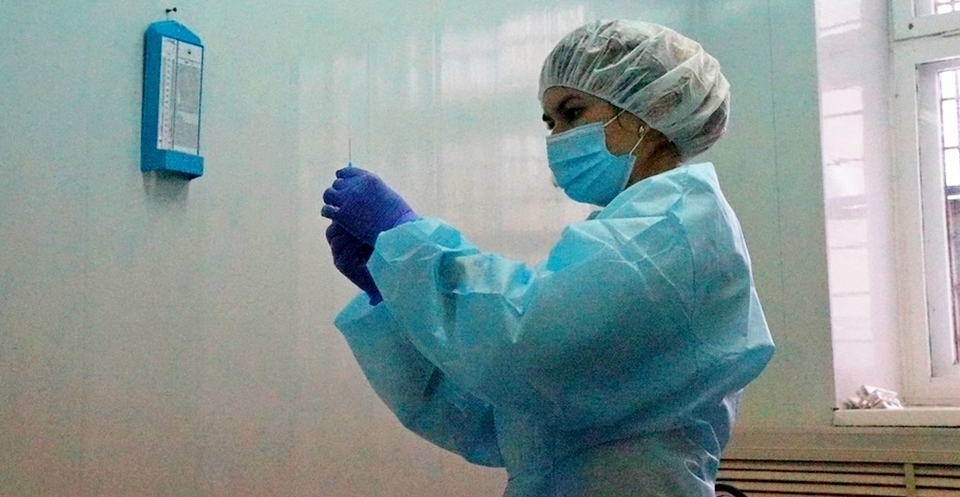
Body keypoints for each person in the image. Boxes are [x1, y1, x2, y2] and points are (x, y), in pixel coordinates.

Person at [321, 19, 774, 497]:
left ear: (656, 108)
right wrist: (392, 297)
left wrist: (405, 241)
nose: (557, 137)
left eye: (572, 112)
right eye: (550, 123)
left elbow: (525, 344)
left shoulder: (669, 228)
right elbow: (500, 416)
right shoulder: (632, 231)